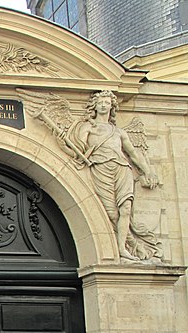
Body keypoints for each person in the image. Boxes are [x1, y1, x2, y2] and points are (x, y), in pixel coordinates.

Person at [65, 90, 161, 261]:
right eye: (100, 102)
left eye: (107, 103)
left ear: (112, 107)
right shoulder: (88, 127)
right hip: (101, 169)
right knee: (111, 214)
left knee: (125, 209)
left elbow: (133, 154)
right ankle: (133, 245)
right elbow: (77, 149)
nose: (103, 105)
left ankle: (122, 249)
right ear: (94, 106)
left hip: (122, 168)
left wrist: (147, 171)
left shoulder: (118, 132)